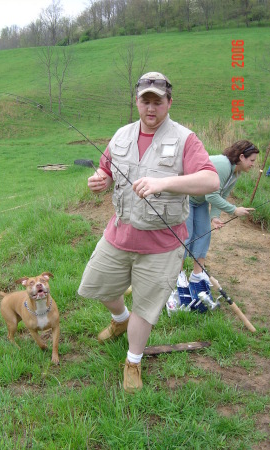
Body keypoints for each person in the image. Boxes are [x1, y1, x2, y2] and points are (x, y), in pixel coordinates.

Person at [77, 71, 219, 393]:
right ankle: (119, 319)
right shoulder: (121, 135)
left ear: (169, 102)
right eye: (145, 101)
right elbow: (107, 168)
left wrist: (163, 182)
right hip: (119, 234)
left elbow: (211, 180)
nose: (151, 108)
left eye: (158, 101)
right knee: (98, 285)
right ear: (137, 101)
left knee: (147, 306)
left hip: (162, 243)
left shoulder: (185, 139)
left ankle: (133, 361)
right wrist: (101, 179)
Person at [181, 140, 259, 286]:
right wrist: (234, 210)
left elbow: (221, 195)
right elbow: (211, 196)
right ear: (242, 157)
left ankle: (197, 274)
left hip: (199, 201)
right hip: (185, 197)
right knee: (187, 236)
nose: (253, 164)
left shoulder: (235, 173)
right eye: (252, 160)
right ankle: (178, 275)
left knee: (204, 234)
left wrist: (215, 217)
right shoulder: (223, 165)